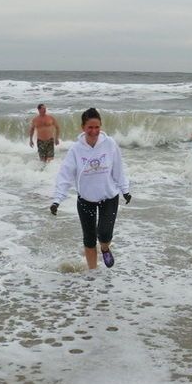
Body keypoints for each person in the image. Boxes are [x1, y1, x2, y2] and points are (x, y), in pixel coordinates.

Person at [50, 108, 131, 270]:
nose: (94, 131)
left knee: (104, 234)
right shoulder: (76, 149)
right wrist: (57, 200)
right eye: (90, 127)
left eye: (97, 127)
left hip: (109, 197)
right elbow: (65, 175)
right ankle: (93, 274)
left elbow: (118, 169)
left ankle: (105, 248)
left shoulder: (110, 144)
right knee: (88, 239)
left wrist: (125, 189)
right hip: (86, 200)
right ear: (83, 127)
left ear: (100, 126)